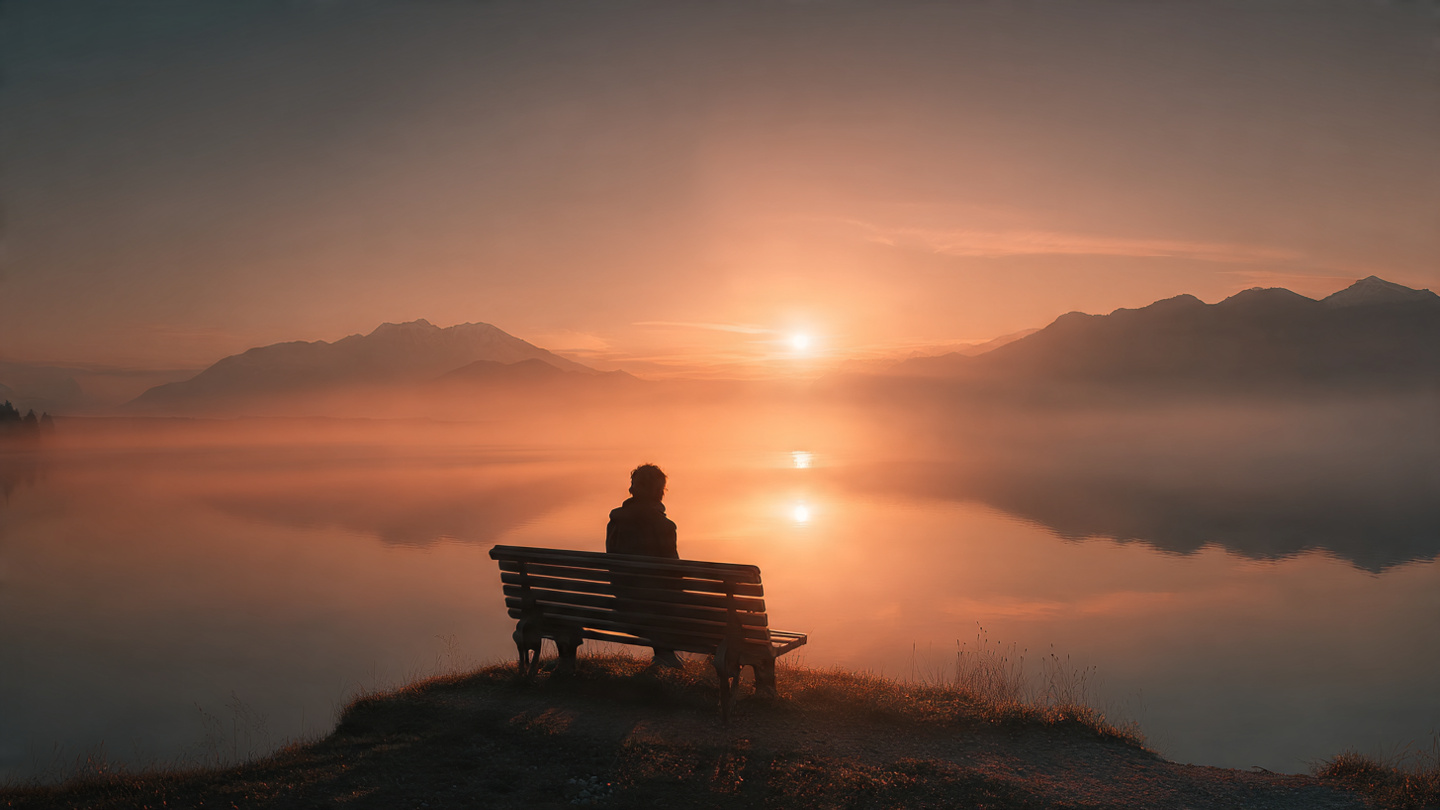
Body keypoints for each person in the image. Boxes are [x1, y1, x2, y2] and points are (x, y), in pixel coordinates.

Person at [606, 463, 683, 668]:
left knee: (656, 594)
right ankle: (666, 655)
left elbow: (613, 562)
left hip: (623, 601)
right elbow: (674, 574)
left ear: (633, 489)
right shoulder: (664, 526)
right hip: (654, 607)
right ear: (660, 492)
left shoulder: (615, 522)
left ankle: (665, 655)